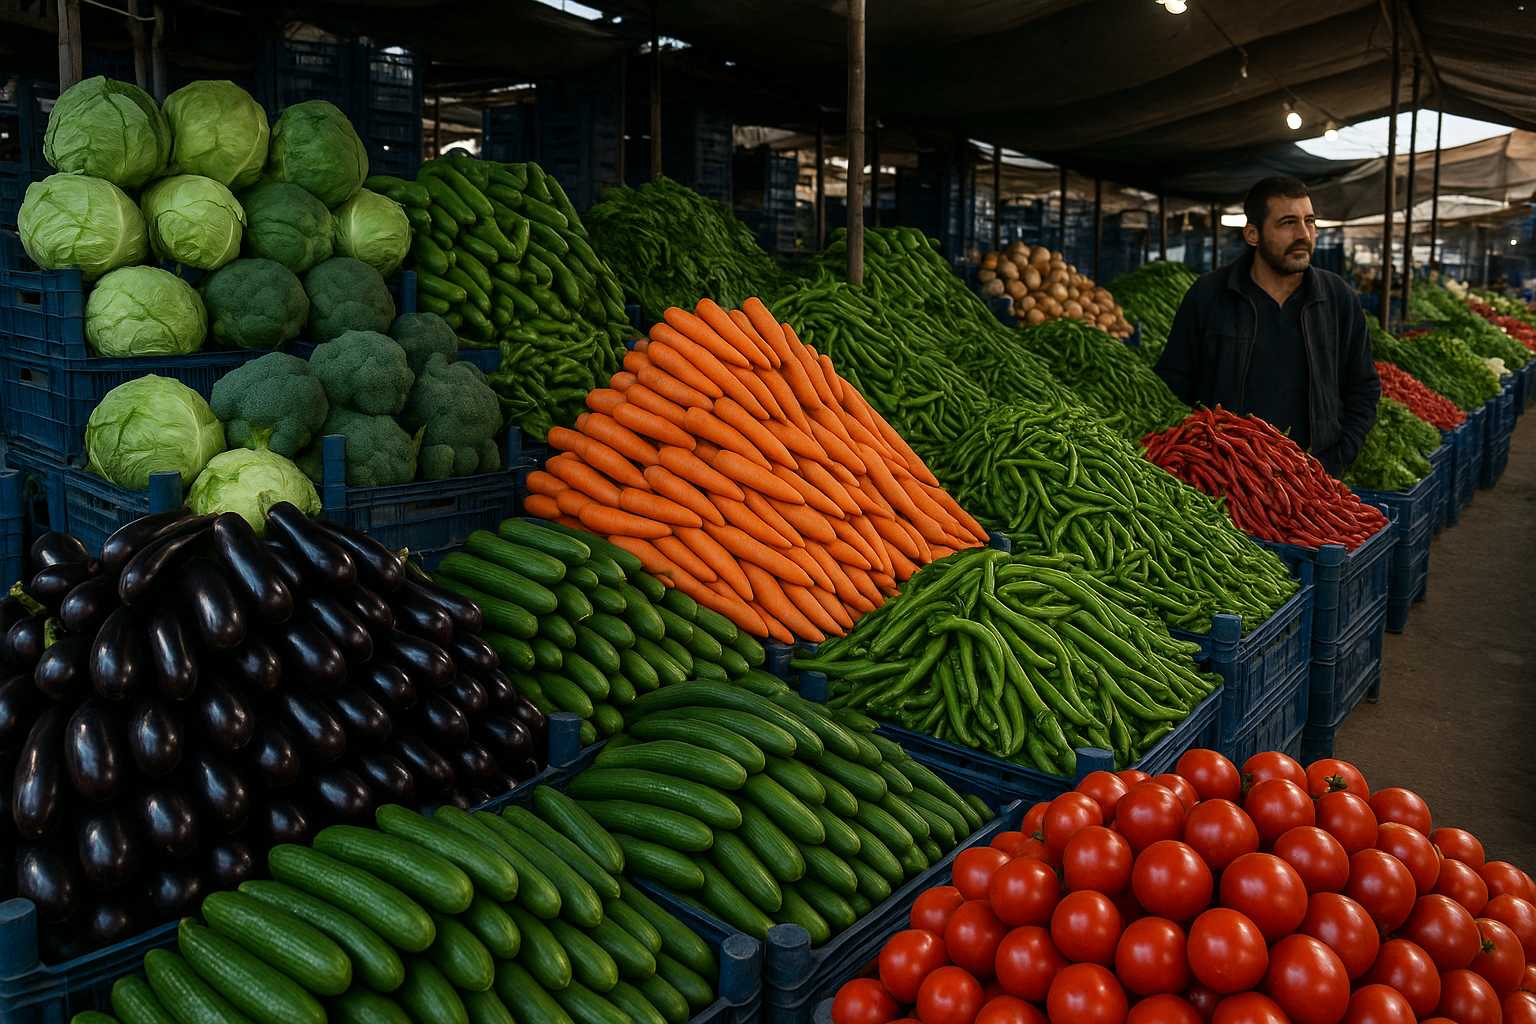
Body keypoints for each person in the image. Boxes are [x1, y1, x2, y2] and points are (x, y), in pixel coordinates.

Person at [1155, 176, 1380, 475]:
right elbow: (1172, 384)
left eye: (1309, 221)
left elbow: (1363, 386)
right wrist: (1199, 460)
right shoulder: (1208, 295)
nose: (1303, 234)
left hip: (1313, 479)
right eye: (1288, 223)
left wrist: (1337, 457)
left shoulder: (1337, 298)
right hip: (1226, 478)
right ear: (1252, 234)